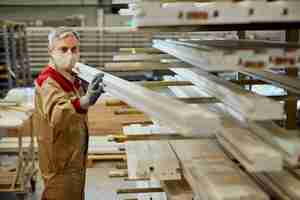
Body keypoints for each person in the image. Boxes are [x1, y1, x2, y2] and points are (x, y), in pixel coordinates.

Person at [34, 27, 104, 200]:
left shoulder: (69, 76)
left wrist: (83, 87)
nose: (70, 54)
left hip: (73, 157)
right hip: (60, 163)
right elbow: (57, 115)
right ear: (51, 52)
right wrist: (84, 101)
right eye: (63, 49)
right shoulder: (48, 81)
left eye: (74, 49)